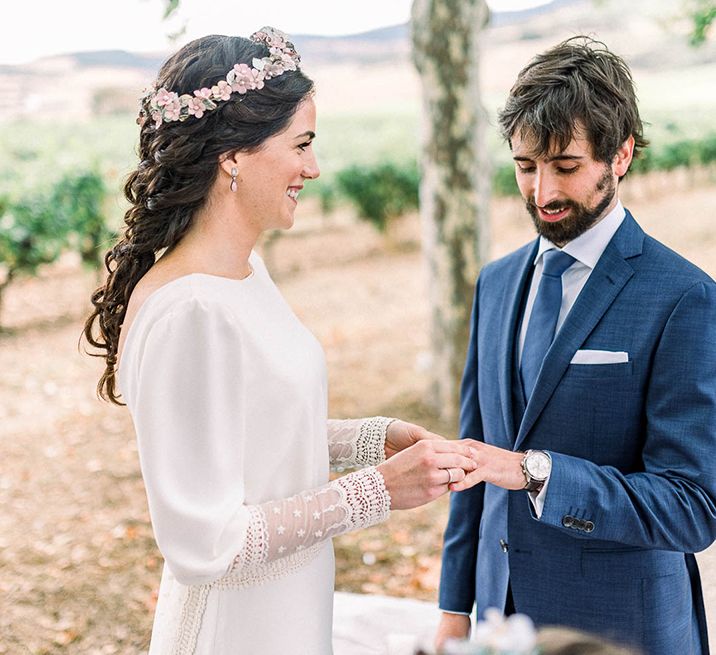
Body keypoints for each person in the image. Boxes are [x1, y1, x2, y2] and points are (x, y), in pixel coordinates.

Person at [82, 28, 480, 655]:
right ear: (233, 156)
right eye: (301, 145)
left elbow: (252, 437)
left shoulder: (245, 273)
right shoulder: (191, 312)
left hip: (290, 614)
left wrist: (373, 439)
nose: (313, 168)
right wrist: (377, 491)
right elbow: (205, 543)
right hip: (233, 632)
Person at [434, 35, 716, 655]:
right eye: (525, 166)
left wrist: (536, 472)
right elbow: (473, 459)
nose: (541, 194)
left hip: (622, 630)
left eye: (565, 166)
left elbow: (691, 506)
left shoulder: (684, 298)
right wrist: (454, 611)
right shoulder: (496, 282)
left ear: (621, 155)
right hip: (498, 622)